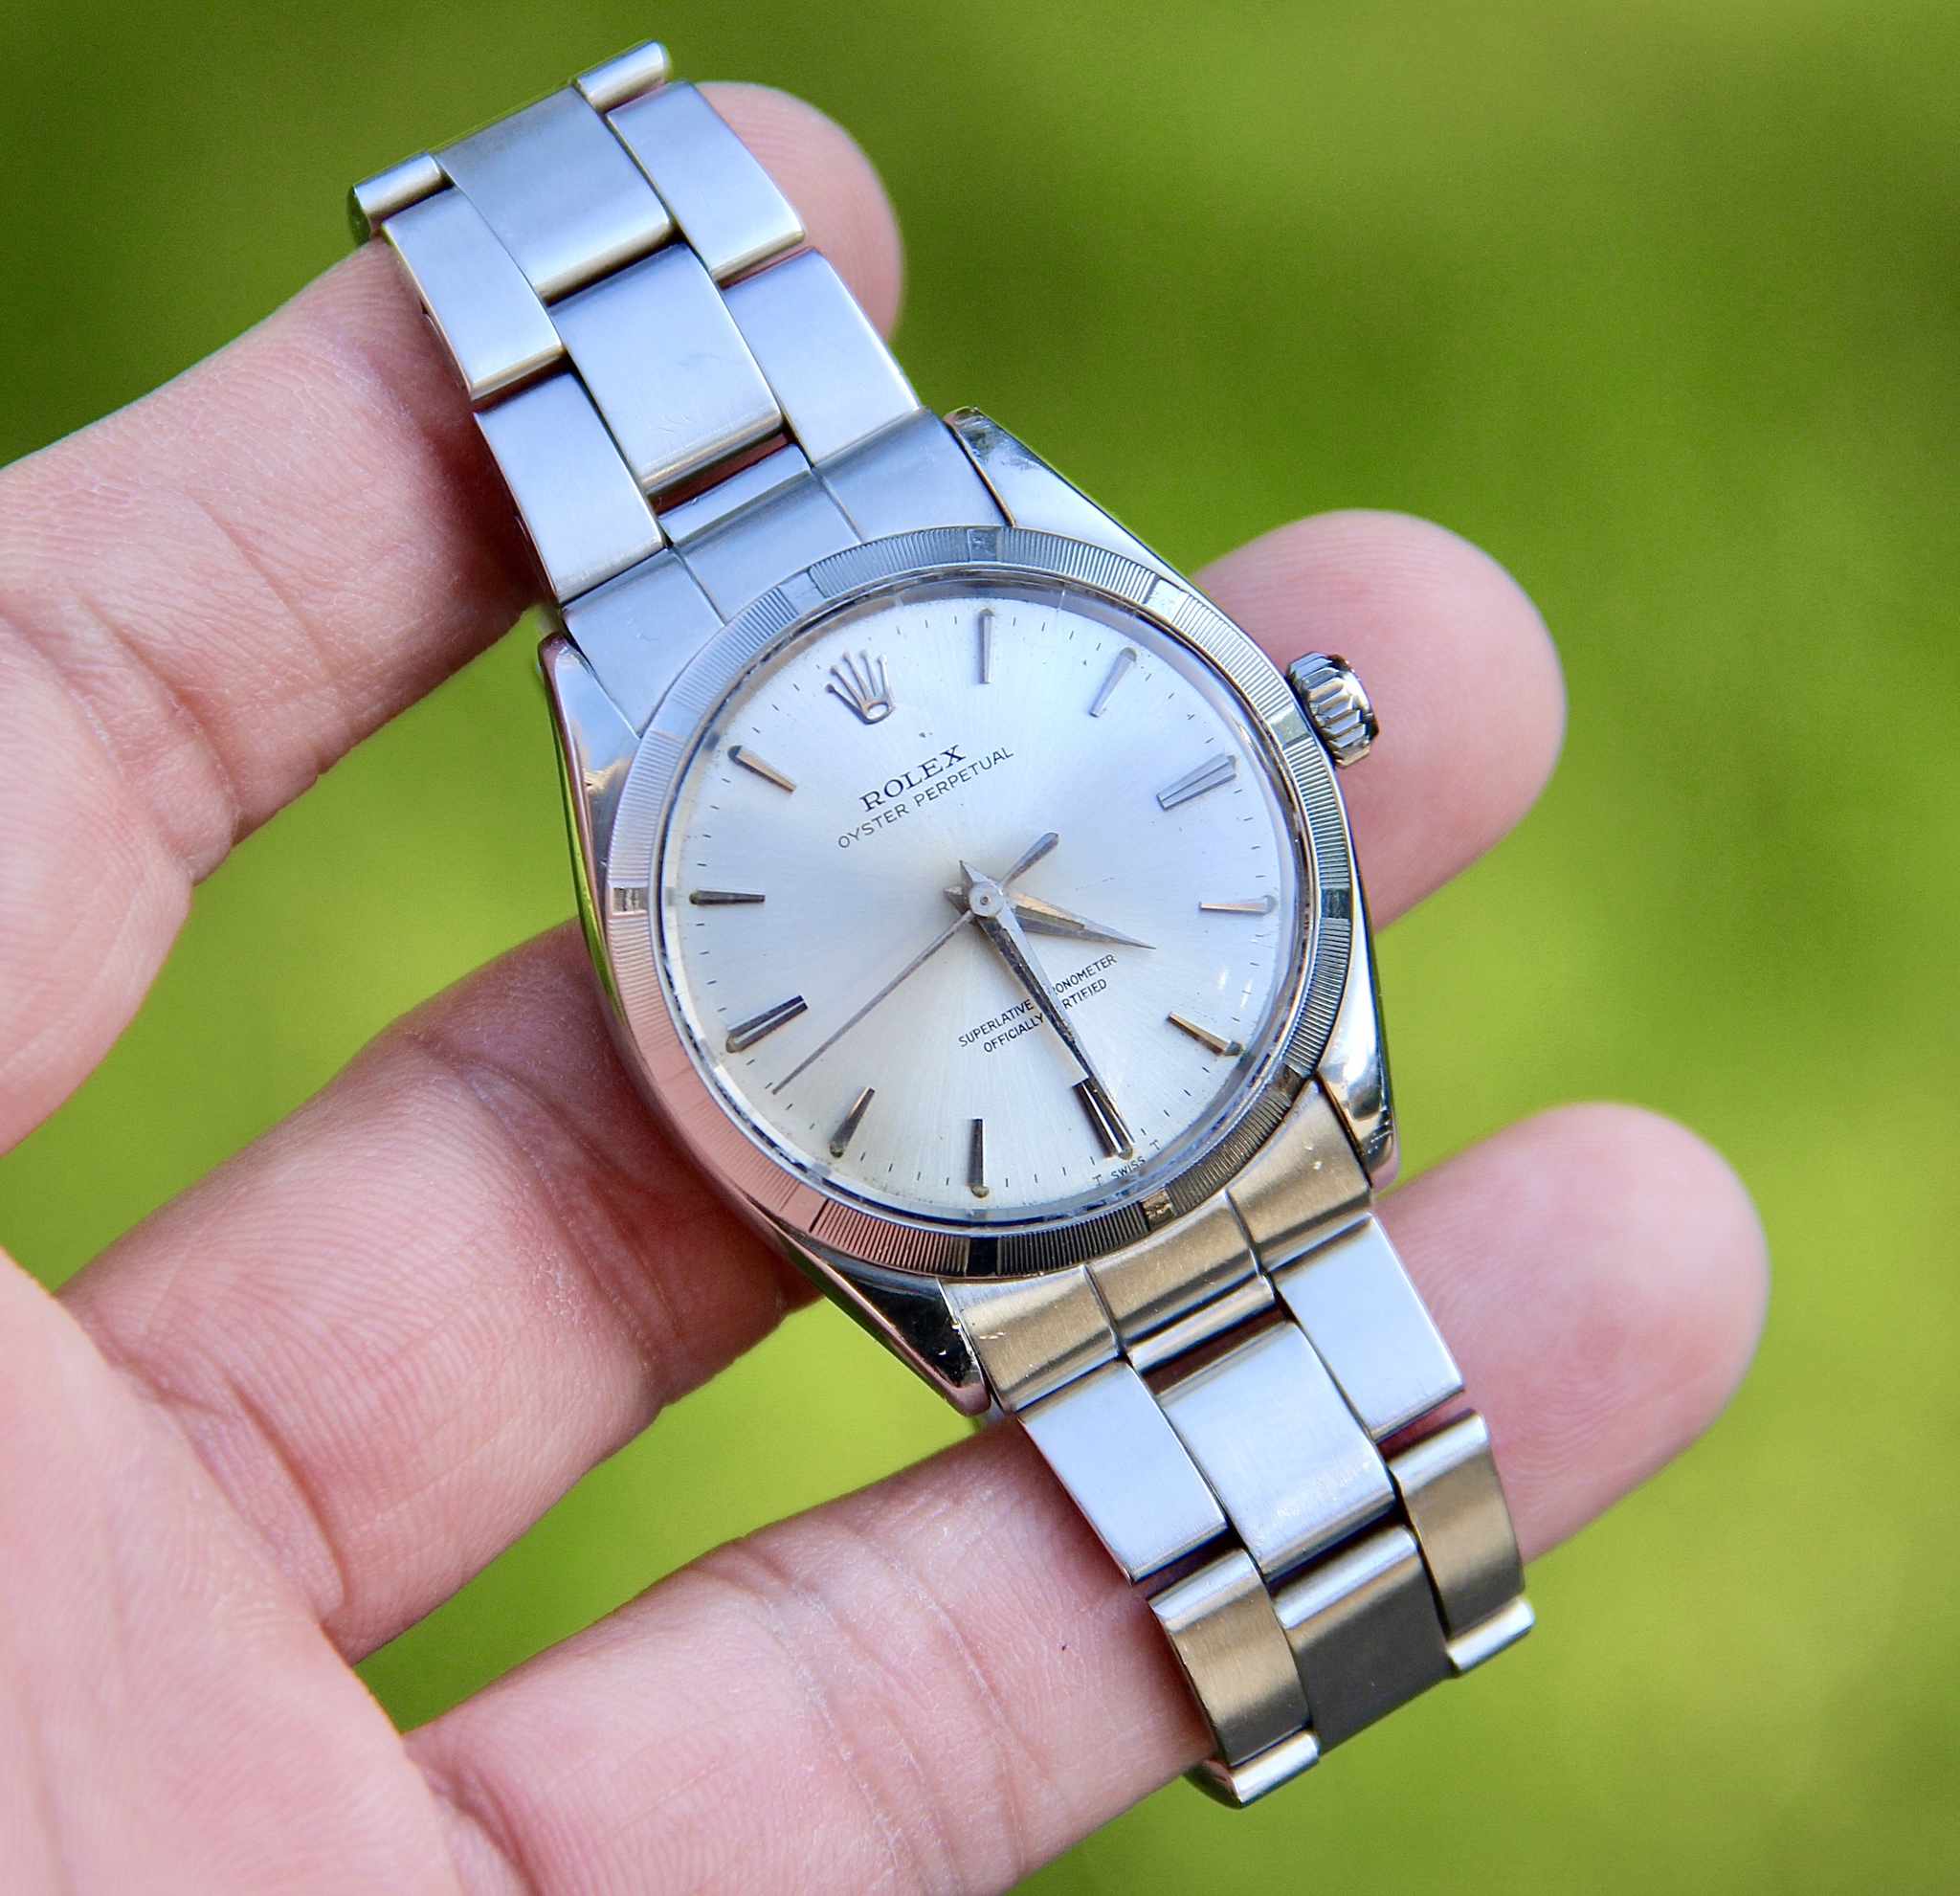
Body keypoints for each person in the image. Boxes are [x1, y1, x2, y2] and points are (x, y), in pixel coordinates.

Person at [0, 81, 1767, 1892]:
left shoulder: (878, 592)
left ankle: (1361, 1609)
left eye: (999, 874)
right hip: (1017, 1203)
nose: (985, 893)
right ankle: (1341, 1623)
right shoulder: (655, 689)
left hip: (1188, 1114)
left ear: (1302, 727)